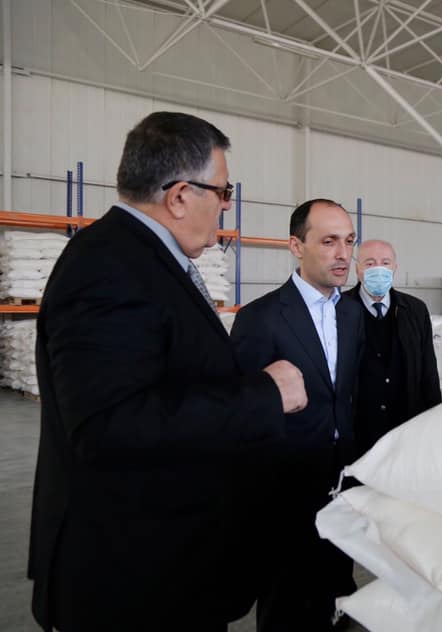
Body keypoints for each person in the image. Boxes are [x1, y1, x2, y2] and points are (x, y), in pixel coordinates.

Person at [28, 111, 307, 632]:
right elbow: (110, 426)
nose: (226, 205)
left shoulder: (141, 260)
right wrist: (265, 396)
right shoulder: (109, 268)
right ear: (180, 196)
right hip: (131, 584)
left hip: (164, 565)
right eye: (223, 192)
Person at [230, 199, 364, 632]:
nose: (343, 254)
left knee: (338, 593)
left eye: (349, 241)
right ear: (296, 246)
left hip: (342, 482)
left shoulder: (352, 313)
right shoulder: (260, 318)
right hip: (284, 492)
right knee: (286, 604)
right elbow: (242, 413)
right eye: (329, 242)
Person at [343, 239, 442, 455]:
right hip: (357, 432)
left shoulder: (415, 310)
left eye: (385, 263)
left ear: (395, 267)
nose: (378, 269)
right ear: (357, 269)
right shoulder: (339, 309)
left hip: (405, 429)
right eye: (370, 263)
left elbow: (428, 373)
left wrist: (434, 422)